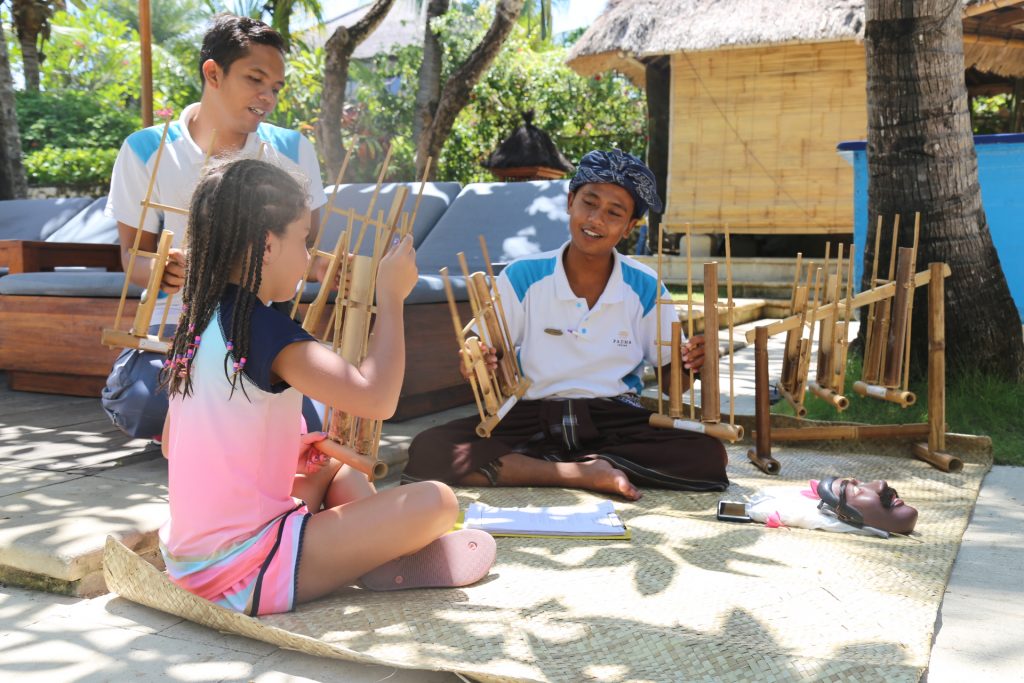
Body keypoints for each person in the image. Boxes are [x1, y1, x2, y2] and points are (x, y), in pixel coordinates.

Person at [159, 159, 495, 616]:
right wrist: (390, 297)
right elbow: (377, 398)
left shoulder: (197, 325)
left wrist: (288, 451)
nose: (310, 257)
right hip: (244, 573)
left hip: (188, 563)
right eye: (305, 240)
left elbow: (171, 446)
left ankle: (375, 557)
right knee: (438, 501)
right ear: (268, 245)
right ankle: (383, 557)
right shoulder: (265, 329)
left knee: (338, 469)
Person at [403, 149, 729, 501]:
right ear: (570, 201)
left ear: (629, 227)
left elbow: (674, 387)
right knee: (429, 448)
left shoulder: (646, 286)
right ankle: (584, 472)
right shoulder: (523, 276)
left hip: (613, 416)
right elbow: (481, 362)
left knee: (708, 454)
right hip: (531, 413)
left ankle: (543, 466)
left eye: (614, 213)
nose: (596, 219)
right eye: (589, 202)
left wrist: (695, 363)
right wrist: (478, 362)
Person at [102, 14, 328, 440]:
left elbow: (307, 248)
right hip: (175, 331)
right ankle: (208, 423)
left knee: (313, 423)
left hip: (262, 329)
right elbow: (133, 259)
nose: (268, 97)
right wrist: (162, 271)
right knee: (142, 400)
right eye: (255, 79)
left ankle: (206, 428)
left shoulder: (293, 150)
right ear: (213, 73)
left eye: (276, 87)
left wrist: (329, 270)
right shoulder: (145, 150)